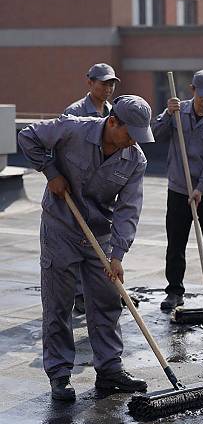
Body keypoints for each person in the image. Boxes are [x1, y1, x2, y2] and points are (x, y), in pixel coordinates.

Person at [18, 95, 155, 401]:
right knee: (59, 303)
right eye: (129, 133)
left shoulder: (135, 160)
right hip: (61, 228)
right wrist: (50, 171)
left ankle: (109, 370)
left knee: (108, 300)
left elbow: (128, 209)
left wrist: (117, 255)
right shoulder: (72, 129)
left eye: (139, 135)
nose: (133, 141)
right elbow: (27, 135)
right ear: (113, 121)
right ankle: (60, 374)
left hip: (99, 235)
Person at [151, 70, 203, 311]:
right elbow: (156, 134)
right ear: (192, 90)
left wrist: (201, 188)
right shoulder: (177, 111)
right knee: (176, 242)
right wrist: (167, 114)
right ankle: (174, 291)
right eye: (202, 96)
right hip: (178, 187)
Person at [64, 63, 121, 314]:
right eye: (103, 83)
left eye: (111, 84)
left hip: (103, 190)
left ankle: (102, 292)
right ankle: (79, 295)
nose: (108, 88)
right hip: (78, 186)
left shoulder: (114, 113)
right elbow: (61, 148)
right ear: (89, 82)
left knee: (100, 241)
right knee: (77, 241)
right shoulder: (75, 112)